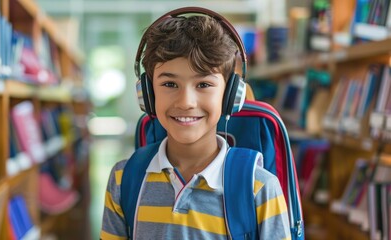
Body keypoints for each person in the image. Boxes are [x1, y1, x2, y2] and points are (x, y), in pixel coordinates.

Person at [101, 7, 290, 240]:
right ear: (147, 94)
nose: (186, 102)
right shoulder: (124, 179)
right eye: (170, 84)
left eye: (203, 84)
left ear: (231, 95)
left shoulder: (259, 188)